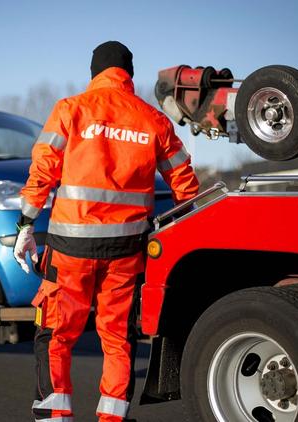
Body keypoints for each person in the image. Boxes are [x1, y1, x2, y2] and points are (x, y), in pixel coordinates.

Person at [14, 40, 200, 422]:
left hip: (69, 248)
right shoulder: (153, 119)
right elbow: (185, 184)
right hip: (126, 251)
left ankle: (55, 417)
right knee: (117, 339)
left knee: (56, 334)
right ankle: (112, 418)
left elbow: (42, 173)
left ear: (95, 72)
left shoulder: (71, 110)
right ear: (129, 75)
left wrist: (26, 225)